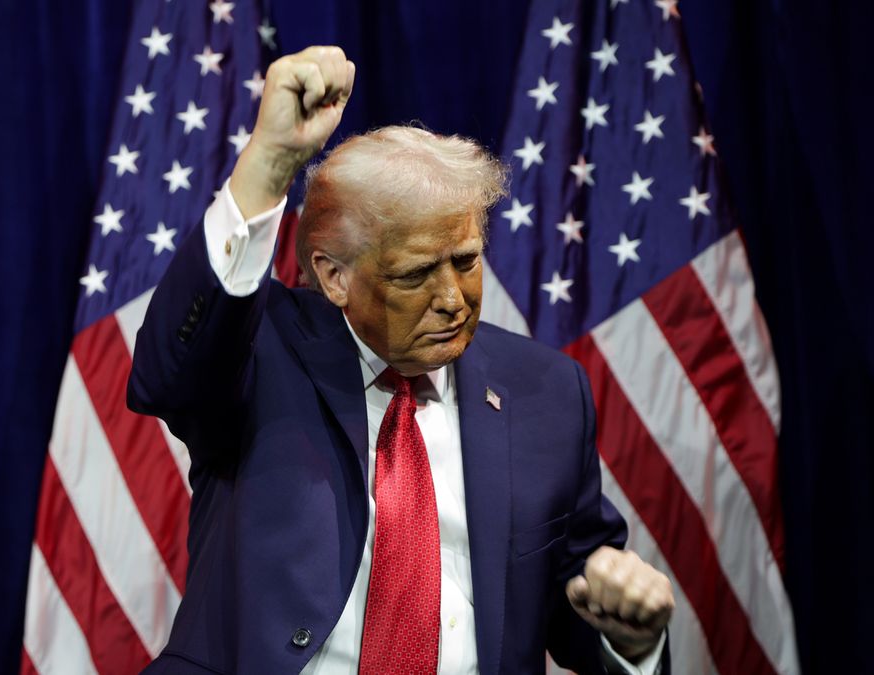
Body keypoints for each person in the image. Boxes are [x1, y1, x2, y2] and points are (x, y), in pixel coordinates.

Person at [128, 46, 674, 674]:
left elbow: (581, 603)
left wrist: (632, 639)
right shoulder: (264, 351)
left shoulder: (546, 391)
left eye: (465, 261)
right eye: (414, 274)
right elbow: (168, 375)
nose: (453, 300)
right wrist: (269, 163)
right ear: (334, 277)